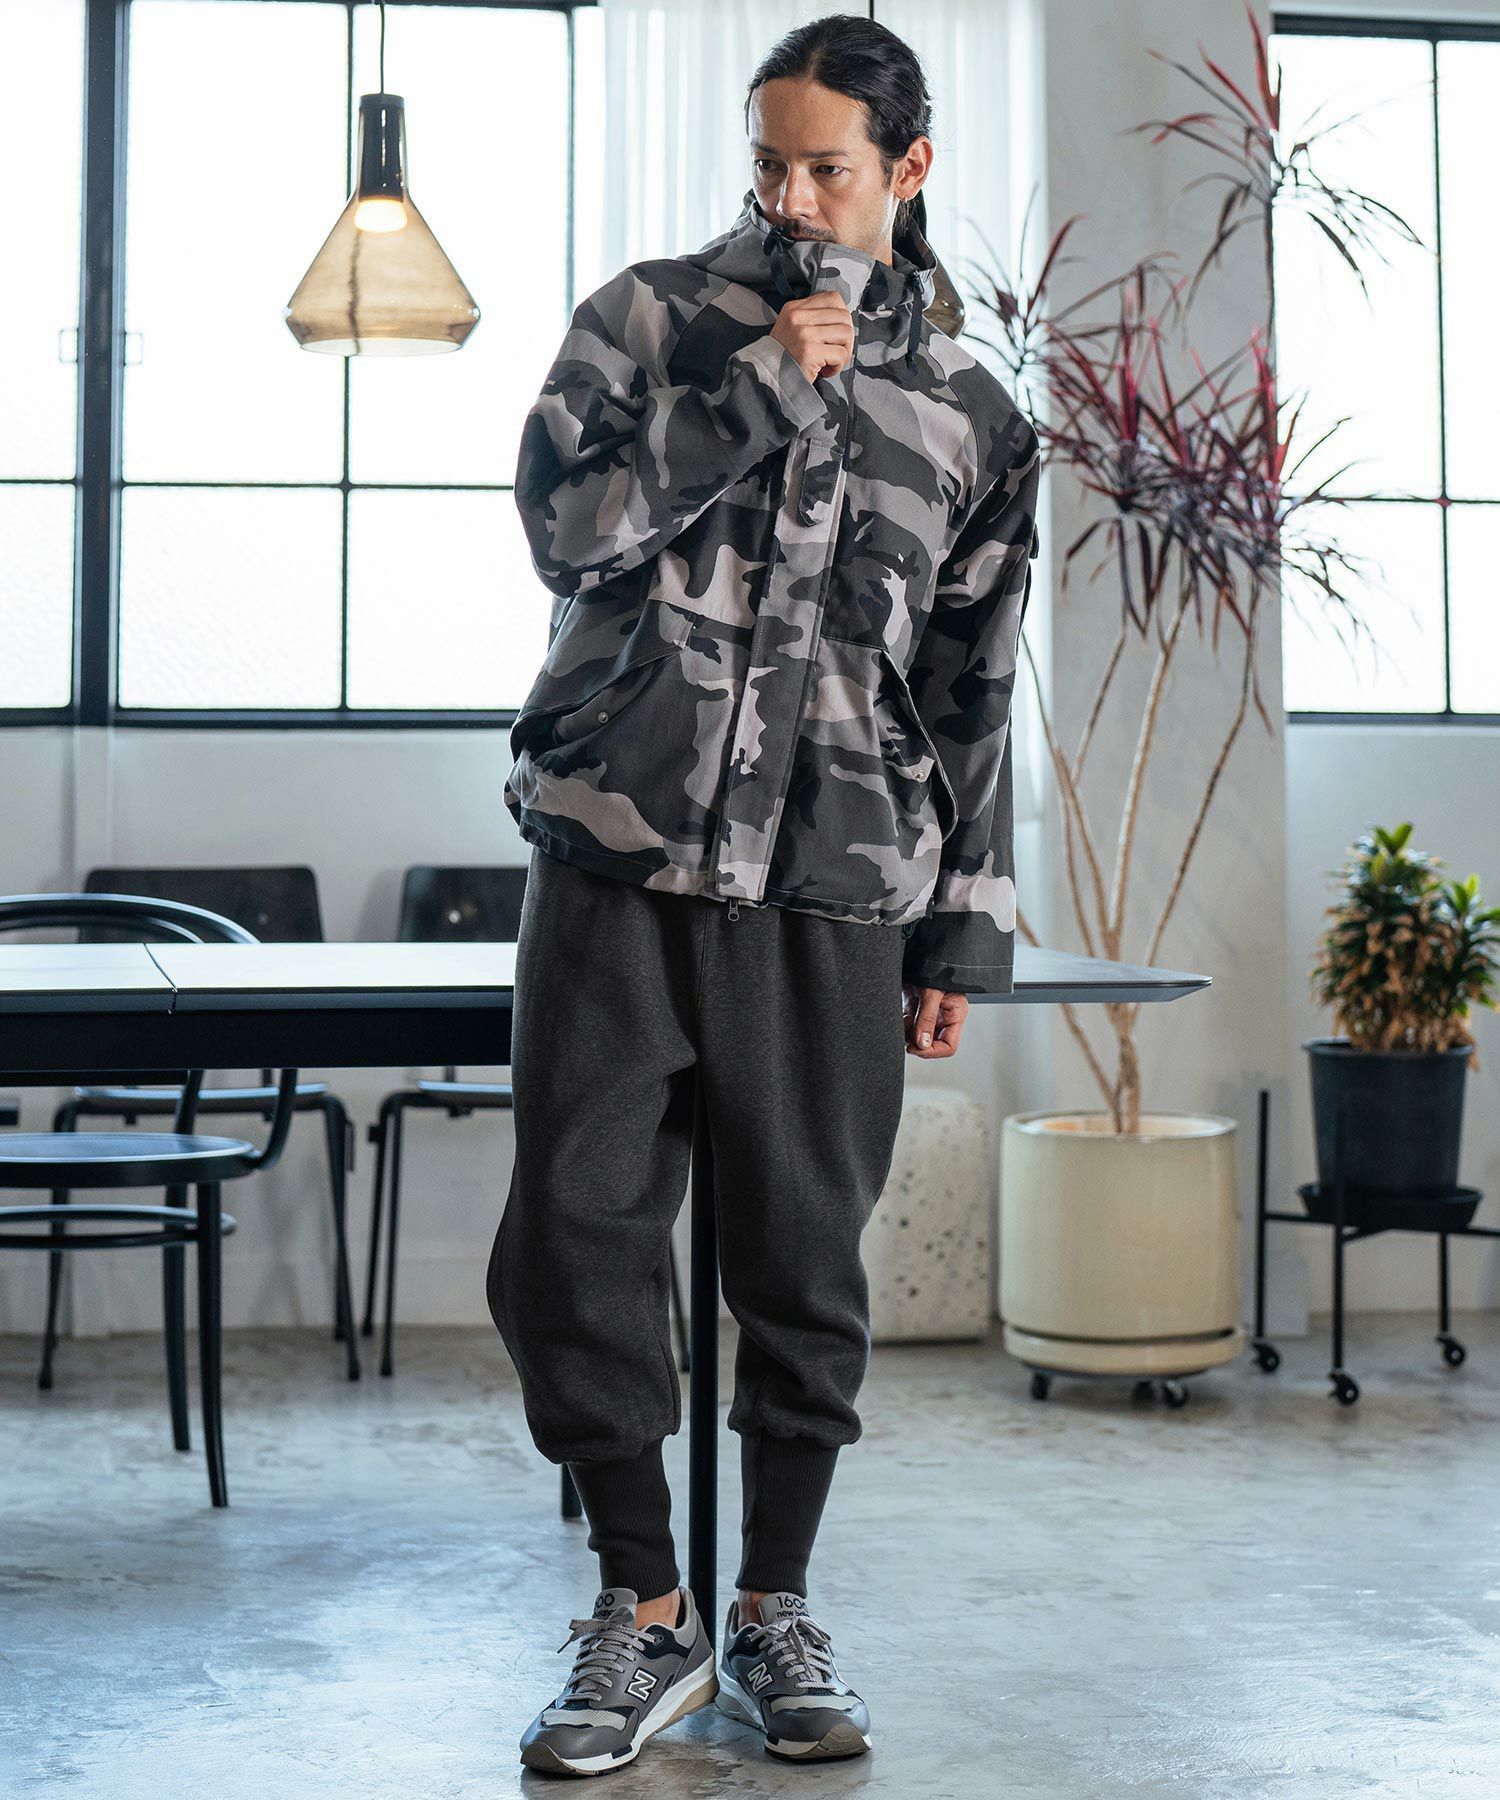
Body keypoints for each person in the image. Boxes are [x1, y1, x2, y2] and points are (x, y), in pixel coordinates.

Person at [487, 12, 1041, 1779]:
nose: (792, 199)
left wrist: (964, 924)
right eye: (769, 164)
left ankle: (776, 1607)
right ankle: (639, 1608)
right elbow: (564, 533)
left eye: (829, 168)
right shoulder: (650, 322)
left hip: (835, 886)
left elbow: (971, 687)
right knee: (572, 1240)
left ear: (908, 170)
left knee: (804, 1265)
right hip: (618, 855)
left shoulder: (974, 414)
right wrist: (753, 397)